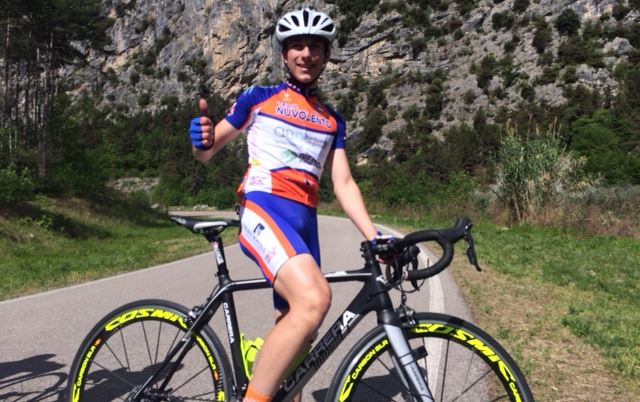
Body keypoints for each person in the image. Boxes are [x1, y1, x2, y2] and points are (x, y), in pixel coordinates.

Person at [188, 7, 380, 402]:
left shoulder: (332, 120)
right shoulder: (259, 97)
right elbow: (207, 152)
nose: (306, 54)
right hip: (264, 207)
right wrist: (201, 140)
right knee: (314, 299)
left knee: (299, 331)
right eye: (297, 46)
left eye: (315, 47)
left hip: (305, 221)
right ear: (284, 55)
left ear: (326, 56)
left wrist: (374, 237)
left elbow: (343, 183)